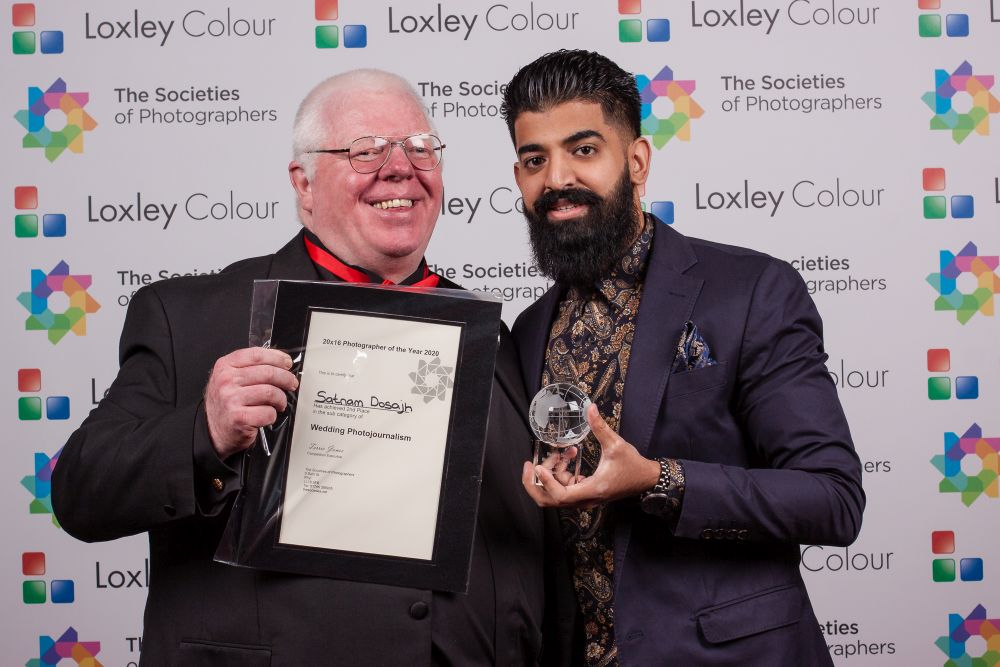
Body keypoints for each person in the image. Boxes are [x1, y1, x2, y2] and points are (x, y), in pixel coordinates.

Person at [52, 69, 548, 666]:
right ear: (303, 184)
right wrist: (204, 432)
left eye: (420, 148)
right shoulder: (189, 316)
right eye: (366, 151)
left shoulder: (489, 337)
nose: (400, 168)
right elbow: (80, 493)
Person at [500, 50, 865, 666]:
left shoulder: (749, 290)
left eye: (584, 150)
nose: (557, 178)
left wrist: (660, 480)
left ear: (636, 161)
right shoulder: (528, 329)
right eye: (535, 159)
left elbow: (832, 499)